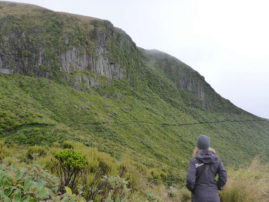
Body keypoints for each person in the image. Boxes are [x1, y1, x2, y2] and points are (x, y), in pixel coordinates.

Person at [186, 135, 227, 202]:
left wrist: (194, 189)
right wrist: (217, 187)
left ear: (198, 146)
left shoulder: (194, 161)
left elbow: (190, 180)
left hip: (198, 197)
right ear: (208, 145)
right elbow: (223, 176)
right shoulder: (216, 159)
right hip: (214, 197)